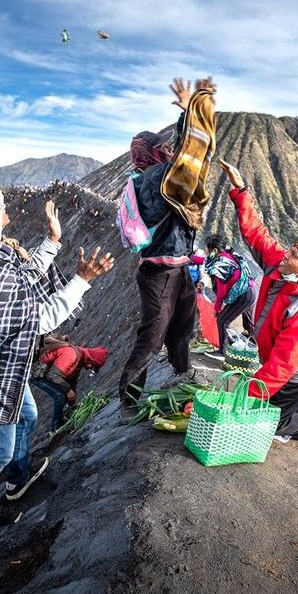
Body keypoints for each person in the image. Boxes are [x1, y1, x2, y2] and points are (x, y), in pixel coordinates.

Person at [0, 184, 114, 544]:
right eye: (0, 206)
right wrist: (82, 280)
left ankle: (18, 482)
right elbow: (40, 318)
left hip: (2, 366)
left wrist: (52, 241)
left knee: (29, 416)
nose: (8, 212)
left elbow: (22, 277)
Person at [219, 160, 298, 448]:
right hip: (277, 367)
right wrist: (241, 190)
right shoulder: (278, 265)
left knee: (269, 423)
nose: (286, 257)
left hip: (295, 375)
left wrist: (244, 394)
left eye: (294, 257)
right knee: (266, 410)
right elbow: (256, 231)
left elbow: (281, 367)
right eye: (290, 250)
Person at [117, 78, 215, 405]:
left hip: (177, 268)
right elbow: (188, 156)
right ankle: (128, 401)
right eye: (163, 147)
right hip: (160, 274)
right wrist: (191, 112)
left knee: (182, 327)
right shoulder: (156, 179)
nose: (168, 150)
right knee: (152, 337)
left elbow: (184, 159)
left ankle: (181, 374)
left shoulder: (148, 177)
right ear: (152, 153)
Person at [191, 234, 256, 356]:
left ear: (214, 250)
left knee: (222, 321)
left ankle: (222, 352)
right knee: (248, 323)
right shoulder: (226, 256)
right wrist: (187, 257)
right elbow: (202, 260)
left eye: (206, 248)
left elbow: (221, 291)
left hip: (244, 295)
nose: (205, 250)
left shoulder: (220, 265)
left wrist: (217, 308)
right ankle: (253, 349)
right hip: (251, 290)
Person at [34, 333, 109, 432]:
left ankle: (62, 419)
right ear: (90, 360)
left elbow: (72, 381)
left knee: (65, 394)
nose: (90, 368)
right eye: (92, 366)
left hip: (47, 373)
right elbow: (52, 376)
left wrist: (72, 402)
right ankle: (56, 427)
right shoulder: (71, 355)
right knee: (59, 396)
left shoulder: (80, 360)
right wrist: (68, 391)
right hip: (36, 372)